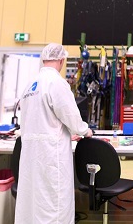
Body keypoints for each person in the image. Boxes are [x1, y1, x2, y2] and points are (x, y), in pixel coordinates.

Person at [14, 43, 93, 224]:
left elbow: (37, 121)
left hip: (31, 154)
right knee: (53, 205)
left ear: (43, 59)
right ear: (61, 60)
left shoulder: (30, 86)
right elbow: (71, 116)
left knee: (32, 203)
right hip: (50, 156)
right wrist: (85, 130)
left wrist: (63, 134)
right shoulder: (57, 83)